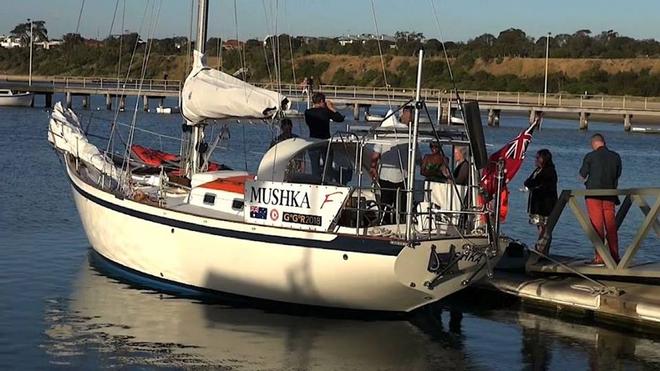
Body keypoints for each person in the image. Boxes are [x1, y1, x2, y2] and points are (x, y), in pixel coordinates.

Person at [370, 107, 420, 224]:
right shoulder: (410, 135)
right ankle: (401, 224)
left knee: (385, 205)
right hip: (403, 177)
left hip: (385, 176)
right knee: (401, 207)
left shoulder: (383, 133)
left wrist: (373, 168)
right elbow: (417, 158)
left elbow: (375, 156)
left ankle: (385, 223)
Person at [579, 133, 622, 265]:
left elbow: (582, 176)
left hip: (593, 195)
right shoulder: (616, 157)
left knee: (597, 227)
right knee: (611, 227)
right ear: (604, 142)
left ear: (593, 144)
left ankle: (600, 257)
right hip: (610, 194)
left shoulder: (590, 156)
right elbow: (618, 174)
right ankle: (614, 256)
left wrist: (588, 180)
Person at [524, 149, 558, 253]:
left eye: (538, 158)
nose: (536, 160)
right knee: (540, 227)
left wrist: (534, 184)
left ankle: (542, 249)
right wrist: (533, 184)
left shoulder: (549, 171)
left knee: (546, 228)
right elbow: (528, 182)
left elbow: (538, 182)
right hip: (537, 204)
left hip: (546, 204)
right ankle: (541, 249)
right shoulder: (538, 170)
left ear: (544, 158)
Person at [304, 92, 345, 178]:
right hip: (325, 141)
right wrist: (331, 108)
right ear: (322, 101)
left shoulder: (307, 112)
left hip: (313, 141)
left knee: (315, 168)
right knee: (327, 168)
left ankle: (316, 183)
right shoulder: (326, 112)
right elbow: (340, 119)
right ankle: (326, 182)